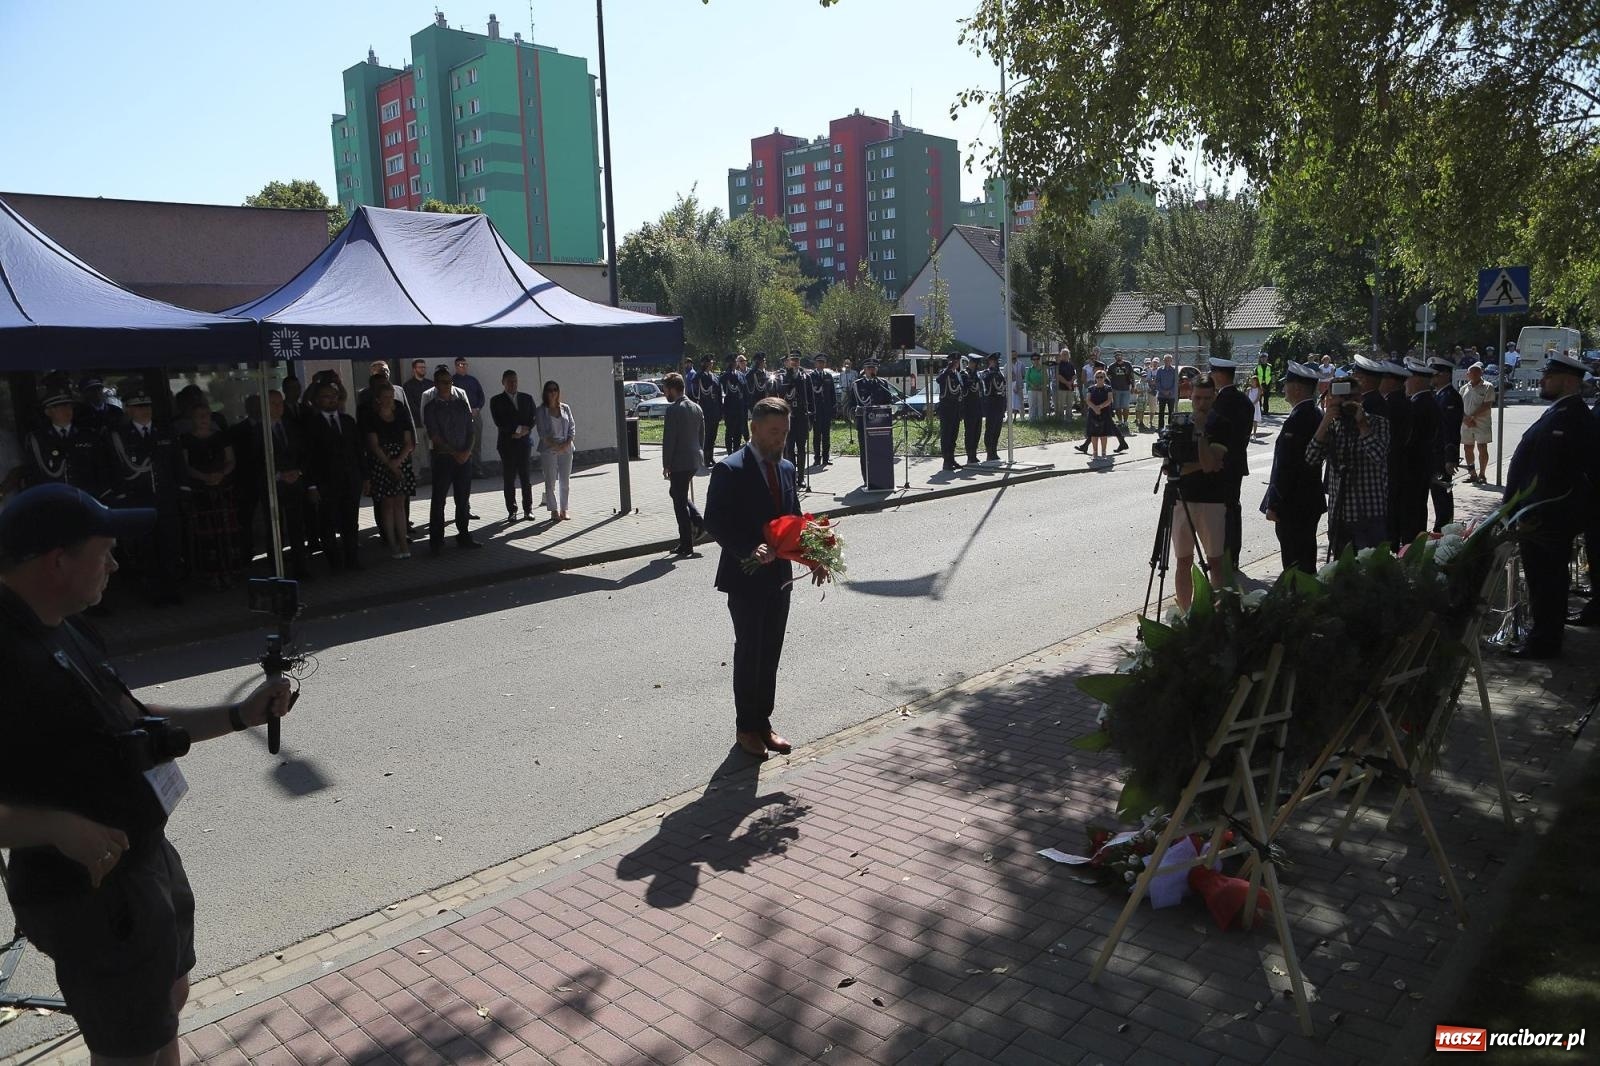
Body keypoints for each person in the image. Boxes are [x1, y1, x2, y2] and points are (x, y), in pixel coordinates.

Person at [0, 484, 293, 1066]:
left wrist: (238, 715)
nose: (115, 563)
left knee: (167, 1001)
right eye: (104, 550)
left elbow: (131, 716)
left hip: (143, 858)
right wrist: (57, 828)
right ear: (56, 560)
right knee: (131, 1045)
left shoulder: (67, 622)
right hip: (88, 892)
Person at [703, 397, 823, 760]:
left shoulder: (786, 468)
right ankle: (746, 728)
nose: (780, 440)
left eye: (784, 433)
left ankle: (764, 723)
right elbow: (715, 521)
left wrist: (815, 555)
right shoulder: (730, 470)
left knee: (771, 651)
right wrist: (747, 549)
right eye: (774, 433)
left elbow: (795, 518)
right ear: (754, 429)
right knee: (750, 651)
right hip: (745, 578)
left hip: (779, 579)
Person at [1500, 352, 1598, 659]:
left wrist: (1546, 508)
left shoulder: (1575, 416)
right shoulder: (1559, 411)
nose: (1543, 380)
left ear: (1568, 381)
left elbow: (1576, 473)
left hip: (1549, 517)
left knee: (1548, 580)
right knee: (1543, 580)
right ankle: (1543, 636)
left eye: (1549, 376)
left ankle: (1544, 642)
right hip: (1538, 514)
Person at [105, 386, 185, 605]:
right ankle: (153, 593)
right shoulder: (119, 437)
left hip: (165, 498)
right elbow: (113, 468)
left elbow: (177, 463)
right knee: (145, 549)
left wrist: (181, 489)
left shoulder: (164, 431)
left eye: (147, 406)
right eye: (138, 407)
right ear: (128, 410)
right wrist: (120, 496)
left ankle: (173, 590)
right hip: (138, 501)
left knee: (170, 546)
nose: (144, 410)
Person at [1306, 370, 1391, 555]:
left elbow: (1379, 456)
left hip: (1370, 514)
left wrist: (1362, 425)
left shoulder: (1378, 423)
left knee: (1371, 573)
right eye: (1340, 398)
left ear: (1360, 398)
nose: (1345, 403)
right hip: (1340, 516)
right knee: (1341, 576)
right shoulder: (1332, 426)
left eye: (1350, 397)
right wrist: (1327, 418)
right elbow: (1311, 457)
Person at [1170, 375, 1232, 608]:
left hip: (1212, 501)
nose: (1201, 403)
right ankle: (1186, 614)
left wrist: (1200, 432)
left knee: (1215, 561)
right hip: (1182, 498)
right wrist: (1203, 465)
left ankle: (1217, 615)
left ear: (1214, 396)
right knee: (1182, 561)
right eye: (1197, 397)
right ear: (1189, 395)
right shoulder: (1179, 422)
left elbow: (1209, 462)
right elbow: (1170, 467)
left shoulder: (1221, 424)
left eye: (1207, 398)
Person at [1260, 362, 1327, 574]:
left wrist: (1274, 503)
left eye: (1286, 385)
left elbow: (1287, 467)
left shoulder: (1298, 419)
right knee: (1306, 557)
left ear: (1297, 388)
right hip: (1308, 501)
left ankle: (1299, 602)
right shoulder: (1314, 414)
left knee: (1294, 564)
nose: (1283, 389)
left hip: (1294, 503)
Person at [302, 382, 366, 572]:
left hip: (350, 481)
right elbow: (308, 458)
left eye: (334, 396)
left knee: (350, 523)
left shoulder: (347, 421)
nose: (331, 400)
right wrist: (311, 486)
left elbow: (358, 450)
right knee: (328, 524)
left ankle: (352, 560)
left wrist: (365, 477)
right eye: (326, 396)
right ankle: (335, 563)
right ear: (317, 400)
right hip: (326, 483)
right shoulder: (311, 425)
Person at [179, 402, 242, 589]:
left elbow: (231, 460)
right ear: (192, 418)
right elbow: (185, 465)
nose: (204, 419)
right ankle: (211, 575)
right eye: (199, 416)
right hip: (201, 492)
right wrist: (204, 477)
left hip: (222, 490)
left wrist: (221, 474)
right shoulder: (185, 439)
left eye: (207, 415)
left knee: (227, 533)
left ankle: (230, 572)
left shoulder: (221, 437)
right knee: (207, 536)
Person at [421, 365, 479, 553]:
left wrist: (467, 451)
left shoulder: (461, 403)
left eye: (450, 382)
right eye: (444, 382)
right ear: (436, 384)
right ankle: (436, 541)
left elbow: (471, 430)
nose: (448, 385)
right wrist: (456, 453)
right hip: (444, 458)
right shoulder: (431, 407)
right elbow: (435, 436)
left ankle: (464, 535)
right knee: (439, 500)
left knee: (463, 499)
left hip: (464, 457)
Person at [1207, 356, 1255, 568]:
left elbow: (1212, 433)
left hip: (1222, 463)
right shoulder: (1243, 400)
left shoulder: (1221, 402)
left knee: (1222, 511)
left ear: (1219, 375)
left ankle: (1224, 555)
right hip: (1237, 462)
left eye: (1212, 373)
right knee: (1234, 509)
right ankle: (1233, 555)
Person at [364, 383, 416, 560]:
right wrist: (389, 464)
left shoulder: (400, 414)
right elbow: (373, 444)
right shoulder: (372, 417)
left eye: (391, 396)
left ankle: (403, 541)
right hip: (382, 462)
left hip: (401, 458)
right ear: (378, 398)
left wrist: (398, 461)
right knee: (387, 505)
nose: (389, 400)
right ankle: (392, 543)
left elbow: (409, 442)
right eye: (385, 396)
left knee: (400, 503)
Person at [265, 389, 313, 580]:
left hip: (295, 484)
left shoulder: (292, 426)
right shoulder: (260, 430)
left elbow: (305, 452)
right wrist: (278, 475)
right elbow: (254, 459)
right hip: (273, 486)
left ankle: (301, 569)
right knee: (275, 529)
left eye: (281, 403)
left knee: (297, 528)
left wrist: (298, 471)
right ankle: (277, 571)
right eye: (274, 404)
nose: (279, 407)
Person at [660, 373, 706, 557]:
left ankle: (686, 544)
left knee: (679, 504)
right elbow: (702, 434)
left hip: (679, 461)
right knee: (677, 493)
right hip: (694, 459)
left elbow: (669, 440)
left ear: (672, 389)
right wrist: (700, 452)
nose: (664, 393)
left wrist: (666, 464)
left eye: (665, 389)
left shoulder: (673, 410)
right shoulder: (696, 407)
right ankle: (698, 521)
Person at [26, 392, 106, 496]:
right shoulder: (38, 439)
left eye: (69, 406)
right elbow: (35, 473)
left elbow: (101, 468)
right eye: (61, 407)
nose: (67, 410)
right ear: (48, 412)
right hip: (53, 498)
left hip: (86, 497)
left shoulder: (88, 435)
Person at [1396, 358, 1441, 544]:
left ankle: (1410, 548)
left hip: (1413, 466)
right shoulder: (1428, 400)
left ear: (1416, 380)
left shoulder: (1418, 405)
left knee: (1411, 511)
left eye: (1408, 378)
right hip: (1422, 466)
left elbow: (1409, 439)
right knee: (1417, 508)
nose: (1405, 383)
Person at [490, 370, 536, 522]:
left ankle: (528, 509)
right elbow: (499, 422)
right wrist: (516, 430)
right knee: (509, 478)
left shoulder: (527, 398)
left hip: (524, 443)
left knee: (525, 477)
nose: (513, 384)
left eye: (515, 381)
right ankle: (512, 510)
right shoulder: (496, 400)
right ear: (503, 382)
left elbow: (533, 417)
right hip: (507, 444)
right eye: (510, 381)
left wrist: (525, 430)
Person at [1430, 357, 1464, 531]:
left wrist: (1451, 457)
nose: (1432, 378)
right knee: (1437, 492)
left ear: (1445, 375)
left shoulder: (1451, 397)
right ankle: (1441, 526)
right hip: (1435, 452)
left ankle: (1444, 527)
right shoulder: (1439, 395)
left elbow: (1450, 429)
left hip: (1442, 454)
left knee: (1442, 492)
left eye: (1435, 375)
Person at [536, 380, 576, 522]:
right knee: (550, 480)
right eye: (549, 390)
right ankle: (553, 510)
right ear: (545, 393)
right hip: (549, 448)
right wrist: (555, 446)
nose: (552, 393)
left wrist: (566, 444)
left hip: (566, 447)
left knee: (565, 480)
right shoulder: (541, 410)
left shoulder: (565, 408)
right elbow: (541, 432)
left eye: (555, 390)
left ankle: (564, 509)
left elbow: (572, 427)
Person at [852, 359, 894, 483]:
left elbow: (889, 402)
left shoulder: (883, 383)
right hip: (864, 424)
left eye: (874, 368)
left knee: (880, 451)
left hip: (881, 425)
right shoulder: (857, 385)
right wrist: (856, 411)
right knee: (865, 453)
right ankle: (868, 480)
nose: (872, 370)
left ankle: (881, 477)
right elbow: (850, 405)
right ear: (864, 370)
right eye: (869, 368)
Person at [451, 356, 488, 478]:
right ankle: (462, 469)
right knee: (462, 442)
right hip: (460, 418)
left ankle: (477, 469)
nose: (463, 367)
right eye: (461, 365)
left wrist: (477, 408)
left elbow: (481, 396)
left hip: (475, 414)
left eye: (465, 364)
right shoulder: (452, 381)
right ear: (456, 366)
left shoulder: (473, 380)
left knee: (476, 442)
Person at [1459, 363, 1495, 483]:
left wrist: (1472, 417)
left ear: (1481, 373)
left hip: (1481, 422)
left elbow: (1487, 405)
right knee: (1468, 448)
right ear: (1467, 375)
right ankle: (1472, 473)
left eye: (1476, 372)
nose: (1474, 374)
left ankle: (1482, 474)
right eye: (1471, 372)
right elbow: (1459, 406)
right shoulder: (1464, 388)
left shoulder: (1487, 386)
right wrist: (1465, 419)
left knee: (1482, 447)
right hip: (1466, 423)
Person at [780, 351, 812, 472]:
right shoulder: (783, 376)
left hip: (802, 416)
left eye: (797, 360)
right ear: (788, 362)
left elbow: (810, 398)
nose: (795, 362)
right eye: (792, 360)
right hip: (789, 417)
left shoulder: (805, 377)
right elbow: (781, 392)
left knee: (802, 447)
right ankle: (792, 473)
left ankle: (801, 476)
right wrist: (789, 374)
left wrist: (811, 418)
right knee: (789, 448)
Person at [401, 359, 432, 474]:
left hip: (430, 423)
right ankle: (417, 474)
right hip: (417, 423)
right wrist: (423, 414)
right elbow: (410, 405)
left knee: (432, 449)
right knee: (417, 451)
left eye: (424, 367)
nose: (423, 369)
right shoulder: (408, 386)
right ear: (414, 369)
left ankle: (433, 473)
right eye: (420, 367)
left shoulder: (430, 384)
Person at [693, 356, 723, 467]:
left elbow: (719, 394)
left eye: (712, 363)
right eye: (709, 363)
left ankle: (711, 456)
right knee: (707, 435)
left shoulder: (714, 377)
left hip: (714, 410)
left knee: (713, 435)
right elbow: (696, 393)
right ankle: (705, 457)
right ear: (704, 364)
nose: (711, 364)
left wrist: (720, 410)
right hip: (705, 410)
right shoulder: (699, 377)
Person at [936, 355, 965, 470]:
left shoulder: (957, 374)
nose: (956, 363)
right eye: (954, 361)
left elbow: (960, 389)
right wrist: (948, 369)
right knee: (946, 435)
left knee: (953, 435)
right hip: (946, 409)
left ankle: (952, 459)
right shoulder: (945, 373)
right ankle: (946, 461)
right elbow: (939, 380)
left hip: (955, 409)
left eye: (958, 361)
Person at [810, 355, 838, 467]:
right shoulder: (811, 376)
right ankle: (817, 459)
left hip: (826, 410)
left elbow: (832, 393)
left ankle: (826, 458)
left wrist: (834, 408)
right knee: (817, 436)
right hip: (816, 411)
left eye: (823, 362)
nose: (821, 364)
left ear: (825, 364)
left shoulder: (828, 376)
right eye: (819, 362)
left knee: (826, 436)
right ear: (815, 364)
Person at [979, 353, 1007, 461]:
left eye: (997, 361)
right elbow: (985, 382)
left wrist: (1004, 406)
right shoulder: (987, 373)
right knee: (990, 429)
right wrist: (991, 371)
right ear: (990, 362)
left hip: (999, 404)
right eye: (994, 361)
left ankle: (994, 450)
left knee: (997, 429)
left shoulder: (1000, 374)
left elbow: (1003, 389)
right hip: (991, 404)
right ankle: (989, 451)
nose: (996, 363)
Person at [721, 354, 750, 455]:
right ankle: (729, 452)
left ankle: (736, 451)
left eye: (734, 362)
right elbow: (722, 393)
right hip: (729, 409)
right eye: (731, 362)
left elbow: (745, 391)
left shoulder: (741, 375)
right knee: (729, 431)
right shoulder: (724, 377)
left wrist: (746, 405)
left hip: (740, 408)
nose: (733, 364)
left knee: (738, 431)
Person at [1083, 369, 1114, 461]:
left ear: (1104, 378)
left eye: (1101, 377)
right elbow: (1088, 400)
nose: (1099, 379)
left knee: (1103, 434)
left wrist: (1099, 407)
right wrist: (1095, 408)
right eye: (1097, 377)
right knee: (1094, 434)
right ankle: (1095, 452)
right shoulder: (1091, 388)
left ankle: (1104, 452)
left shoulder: (1108, 388)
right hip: (1093, 412)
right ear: (1095, 378)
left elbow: (1109, 400)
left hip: (1104, 412)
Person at [1105, 352, 1135, 431]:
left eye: (1119, 355)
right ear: (1115, 357)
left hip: (1126, 388)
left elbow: (1132, 376)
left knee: (1125, 406)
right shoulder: (1112, 366)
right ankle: (1120, 421)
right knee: (1117, 406)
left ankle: (1125, 421)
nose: (1118, 357)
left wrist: (1133, 386)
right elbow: (1108, 376)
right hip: (1115, 389)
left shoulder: (1128, 364)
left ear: (1122, 356)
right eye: (1116, 356)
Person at [1154, 355, 1179, 430]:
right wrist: (1163, 391)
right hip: (1161, 395)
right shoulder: (1160, 370)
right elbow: (1157, 382)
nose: (1167, 362)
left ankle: (1170, 427)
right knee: (1161, 412)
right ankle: (1160, 427)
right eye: (1165, 360)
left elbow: (1176, 382)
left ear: (1171, 361)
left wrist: (1170, 391)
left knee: (1171, 412)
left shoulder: (1174, 370)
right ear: (1163, 361)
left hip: (1171, 396)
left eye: (1169, 360)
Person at [1055, 349, 1078, 418]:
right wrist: (1067, 383)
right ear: (1061, 356)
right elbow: (1058, 376)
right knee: (1061, 405)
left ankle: (1069, 419)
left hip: (1070, 388)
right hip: (1061, 388)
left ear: (1069, 356)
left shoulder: (1071, 365)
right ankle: (1061, 419)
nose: (1065, 356)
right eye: (1064, 354)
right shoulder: (1058, 365)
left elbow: (1074, 375)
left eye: (1067, 354)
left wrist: (1070, 383)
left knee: (1070, 404)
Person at [1024, 353, 1046, 422]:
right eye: (1034, 359)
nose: (1035, 361)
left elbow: (1046, 379)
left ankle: (1040, 419)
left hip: (1040, 389)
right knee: (1032, 405)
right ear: (1031, 360)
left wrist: (1041, 385)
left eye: (1037, 359)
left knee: (1040, 405)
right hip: (1031, 389)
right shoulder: (1030, 369)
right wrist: (1032, 385)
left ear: (1039, 360)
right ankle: (1031, 419)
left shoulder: (1043, 369)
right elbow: (1026, 379)